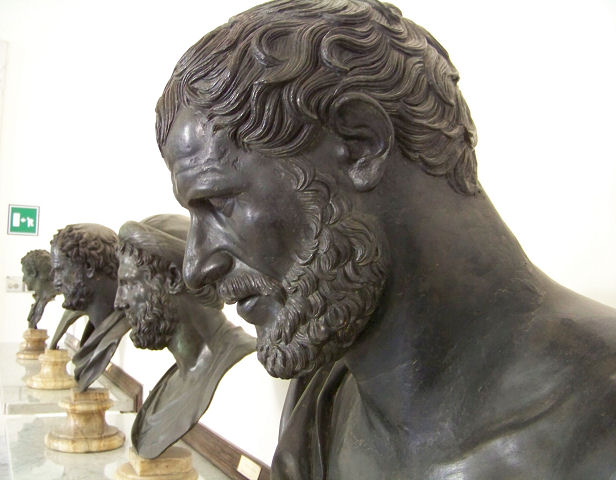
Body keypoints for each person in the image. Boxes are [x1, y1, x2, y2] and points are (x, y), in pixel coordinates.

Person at [155, 1, 616, 478]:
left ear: (361, 144)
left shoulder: (598, 421)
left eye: (219, 202)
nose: (196, 266)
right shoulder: (322, 402)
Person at [115, 214, 256, 459]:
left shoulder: (246, 372)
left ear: (172, 277)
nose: (119, 302)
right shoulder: (171, 385)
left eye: (129, 283)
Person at [50, 223, 129, 389]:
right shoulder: (96, 324)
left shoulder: (129, 324)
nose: (56, 282)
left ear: (89, 267)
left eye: (60, 270)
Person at [20, 249, 58, 328]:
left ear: (33, 272)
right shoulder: (38, 302)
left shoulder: (59, 304)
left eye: (24, 274)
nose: (23, 279)